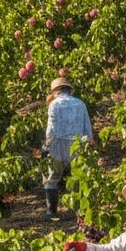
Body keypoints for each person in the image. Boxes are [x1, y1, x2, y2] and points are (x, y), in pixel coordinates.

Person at [42, 77, 94, 220]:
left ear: (55, 92)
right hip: (77, 144)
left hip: (58, 144)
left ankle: (51, 212)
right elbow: (87, 126)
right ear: (69, 90)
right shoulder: (80, 104)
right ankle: (78, 211)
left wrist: (46, 146)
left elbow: (51, 129)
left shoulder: (54, 105)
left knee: (52, 178)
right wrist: (89, 140)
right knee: (77, 176)